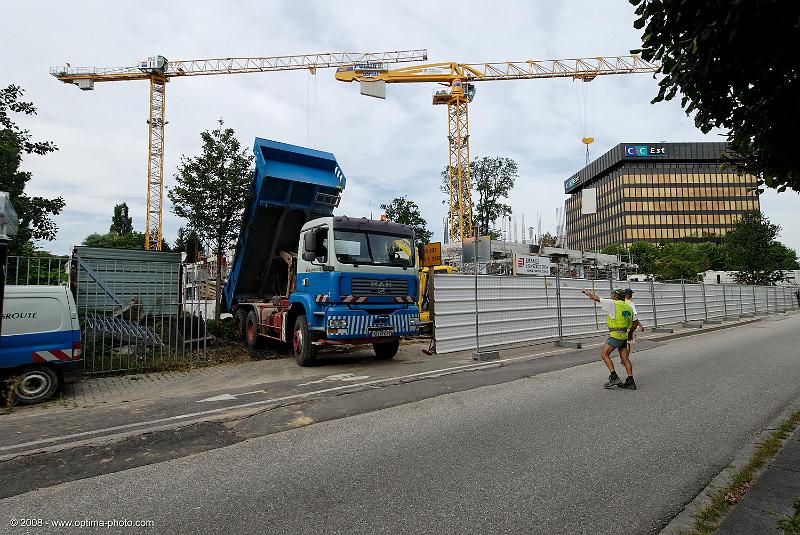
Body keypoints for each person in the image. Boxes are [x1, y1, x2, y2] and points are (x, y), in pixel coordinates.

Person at [580, 287, 637, 390]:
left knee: (604, 354)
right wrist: (630, 333)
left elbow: (596, 298)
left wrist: (586, 292)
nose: (611, 296)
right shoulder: (628, 306)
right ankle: (630, 381)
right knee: (625, 358)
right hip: (624, 335)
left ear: (616, 296)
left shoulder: (612, 303)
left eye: (613, 294)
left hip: (615, 335)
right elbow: (635, 322)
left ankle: (614, 376)